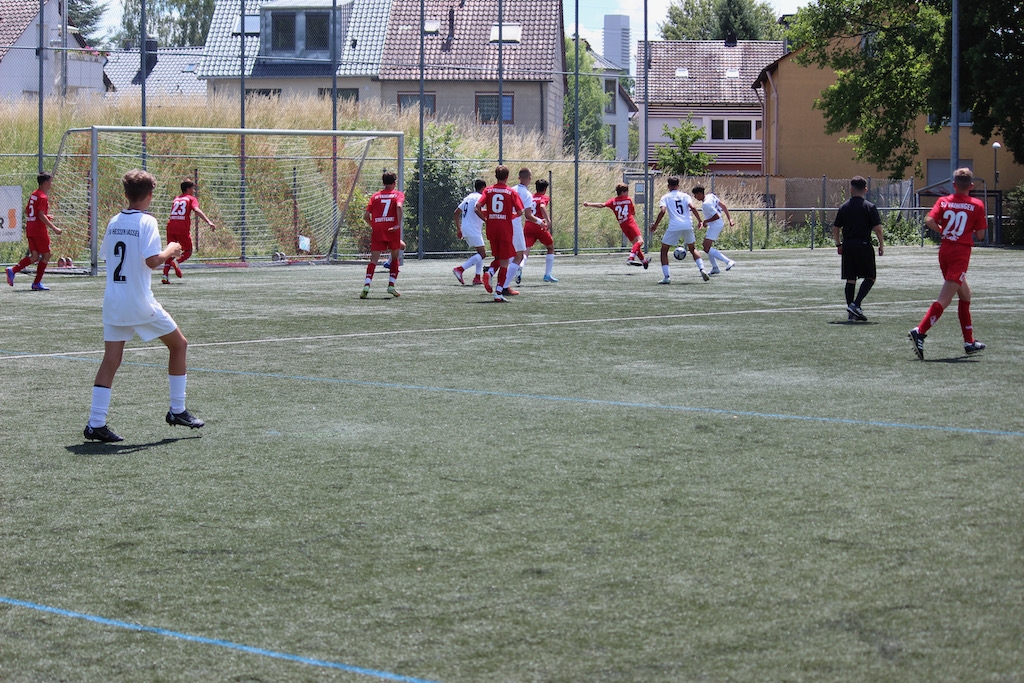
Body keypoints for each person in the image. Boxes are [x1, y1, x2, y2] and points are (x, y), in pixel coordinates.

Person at [84, 169, 205, 443]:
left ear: (126, 194)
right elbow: (151, 261)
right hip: (139, 301)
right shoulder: (147, 221)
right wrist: (171, 250)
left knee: (111, 360)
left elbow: (110, 258)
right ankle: (177, 410)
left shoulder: (114, 221)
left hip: (114, 301)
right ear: (150, 195)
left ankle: (95, 423)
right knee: (179, 345)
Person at [909, 167, 988, 359]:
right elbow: (980, 234)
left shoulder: (944, 201)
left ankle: (969, 342)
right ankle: (920, 331)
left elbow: (929, 220)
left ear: (954, 185)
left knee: (966, 295)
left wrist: (944, 230)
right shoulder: (977, 204)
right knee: (945, 299)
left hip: (945, 251)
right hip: (960, 253)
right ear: (971, 186)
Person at [832, 176, 883, 321]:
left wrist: (839, 244)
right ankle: (856, 304)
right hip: (864, 245)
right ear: (865, 190)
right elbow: (878, 229)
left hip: (848, 246)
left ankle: (851, 311)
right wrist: (881, 244)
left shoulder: (844, 207)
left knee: (850, 279)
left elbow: (836, 228)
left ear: (851, 190)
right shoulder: (870, 207)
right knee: (870, 277)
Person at [475, 165, 523, 302]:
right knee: (505, 261)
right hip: (504, 229)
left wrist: (486, 219)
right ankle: (498, 291)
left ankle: (490, 272)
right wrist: (510, 216)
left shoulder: (488, 190)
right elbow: (520, 211)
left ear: (496, 176)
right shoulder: (511, 192)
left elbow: (477, 207)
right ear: (507, 177)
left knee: (498, 257)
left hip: (492, 228)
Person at [7, 173, 62, 290]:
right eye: (50, 182)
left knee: (35, 256)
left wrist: (45, 216)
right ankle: (36, 283)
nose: (51, 184)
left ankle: (13, 270)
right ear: (45, 183)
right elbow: (41, 215)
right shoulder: (43, 197)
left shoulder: (34, 194)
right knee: (46, 255)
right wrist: (54, 228)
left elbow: (28, 211)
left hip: (30, 228)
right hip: (39, 230)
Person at [649, 177, 707, 284]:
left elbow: (662, 211)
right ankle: (702, 269)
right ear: (678, 186)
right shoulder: (685, 196)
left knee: (664, 250)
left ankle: (666, 277)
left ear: (668, 186)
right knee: (692, 248)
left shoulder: (665, 197)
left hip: (674, 226)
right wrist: (700, 220)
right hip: (687, 224)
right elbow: (693, 207)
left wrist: (655, 225)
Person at [583, 183, 649, 269]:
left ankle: (644, 262)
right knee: (640, 241)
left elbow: (602, 205)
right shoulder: (628, 200)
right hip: (631, 223)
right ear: (623, 192)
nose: (628, 193)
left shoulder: (613, 201)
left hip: (623, 225)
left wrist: (589, 204)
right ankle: (631, 258)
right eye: (627, 191)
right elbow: (633, 212)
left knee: (635, 244)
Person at [361, 170, 404, 299]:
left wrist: (374, 225)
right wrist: (398, 224)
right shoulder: (398, 194)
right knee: (395, 258)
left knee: (373, 260)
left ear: (383, 183)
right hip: (392, 229)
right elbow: (399, 207)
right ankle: (391, 285)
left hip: (378, 229)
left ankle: (366, 286)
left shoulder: (375, 196)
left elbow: (366, 216)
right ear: (394, 182)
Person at [162, 180, 215, 284]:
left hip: (171, 226)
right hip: (182, 227)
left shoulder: (176, 198)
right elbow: (196, 210)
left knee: (170, 251)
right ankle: (176, 262)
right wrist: (208, 221)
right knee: (188, 251)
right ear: (188, 189)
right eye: (193, 189)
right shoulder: (191, 198)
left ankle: (165, 276)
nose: (194, 191)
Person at [691, 186, 737, 275]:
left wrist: (705, 221)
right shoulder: (711, 196)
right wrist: (730, 219)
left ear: (700, 194)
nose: (695, 197)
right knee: (707, 247)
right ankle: (715, 268)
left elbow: (716, 216)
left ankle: (728, 261)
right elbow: (723, 206)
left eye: (695, 195)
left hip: (715, 225)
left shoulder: (706, 204)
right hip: (715, 224)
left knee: (706, 248)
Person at [452, 179, 487, 286]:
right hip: (473, 228)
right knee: (482, 254)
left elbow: (456, 212)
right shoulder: (480, 197)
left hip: (467, 227)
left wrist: (459, 229)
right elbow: (477, 210)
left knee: (479, 253)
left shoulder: (469, 197)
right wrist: (486, 220)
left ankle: (477, 277)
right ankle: (460, 269)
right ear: (483, 188)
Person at [524, 178, 557, 282]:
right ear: (545, 189)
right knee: (550, 248)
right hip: (539, 225)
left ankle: (519, 267)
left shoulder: (530, 197)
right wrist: (548, 220)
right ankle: (547, 274)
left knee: (526, 250)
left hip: (528, 224)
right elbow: (542, 206)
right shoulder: (544, 197)